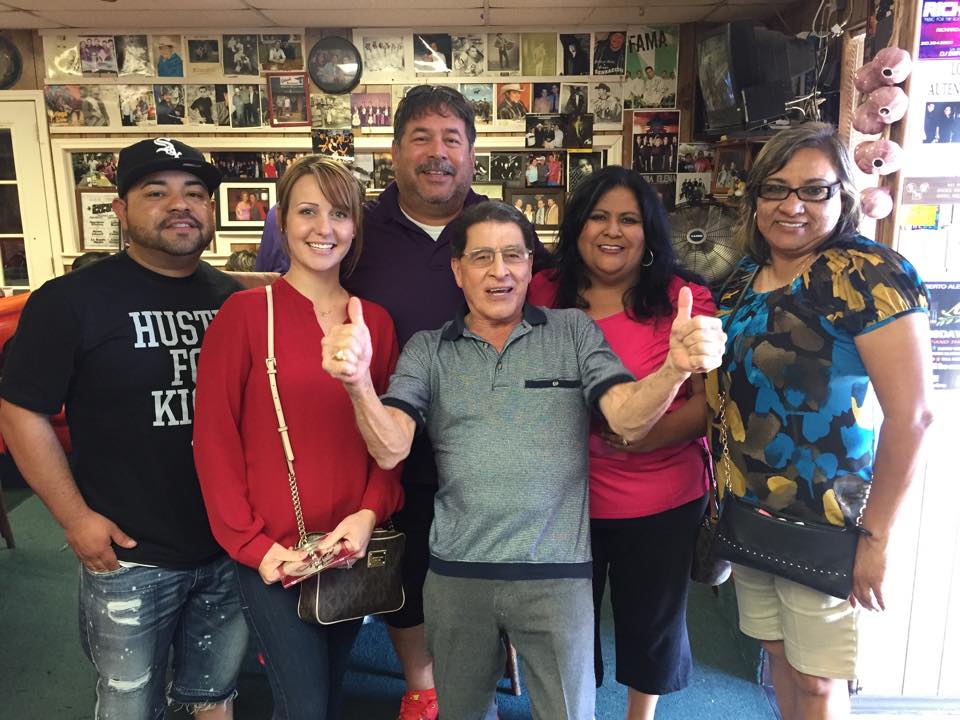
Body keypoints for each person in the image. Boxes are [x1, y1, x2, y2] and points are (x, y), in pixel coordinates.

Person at [320, 199, 726, 720]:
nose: (500, 271)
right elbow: (391, 446)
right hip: (457, 577)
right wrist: (358, 384)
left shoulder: (573, 332)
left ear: (532, 265)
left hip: (556, 579)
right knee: (463, 713)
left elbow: (626, 419)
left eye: (514, 255)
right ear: (458, 270)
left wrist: (674, 369)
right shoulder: (428, 349)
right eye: (482, 257)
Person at [0, 138, 247, 719]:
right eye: (156, 192)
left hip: (227, 547)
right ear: (120, 210)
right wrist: (74, 519)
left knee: (216, 694)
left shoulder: (232, 300)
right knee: (129, 703)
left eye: (194, 193)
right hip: (129, 556)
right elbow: (19, 410)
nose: (180, 205)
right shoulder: (71, 300)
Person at [707, 123, 932, 720]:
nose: (792, 205)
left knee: (817, 680)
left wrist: (875, 540)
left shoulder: (868, 273)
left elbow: (913, 416)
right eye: (775, 188)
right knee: (778, 657)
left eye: (813, 190)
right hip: (750, 509)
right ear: (755, 197)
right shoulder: (742, 279)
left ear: (843, 196)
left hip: (830, 518)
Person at [193, 156, 403, 720]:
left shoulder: (376, 323)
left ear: (355, 226)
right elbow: (213, 441)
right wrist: (252, 545)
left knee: (330, 691)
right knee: (304, 704)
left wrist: (370, 513)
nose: (323, 228)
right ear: (282, 221)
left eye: (339, 213)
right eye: (307, 211)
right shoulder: (243, 315)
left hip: (349, 547)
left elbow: (391, 438)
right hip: (276, 552)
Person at [528, 166, 715, 720]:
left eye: (629, 219)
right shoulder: (541, 291)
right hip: (561, 501)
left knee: (651, 624)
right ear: (577, 227)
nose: (613, 231)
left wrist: (645, 436)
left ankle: (641, 714)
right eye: (599, 217)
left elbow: (709, 405)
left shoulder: (685, 299)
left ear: (648, 231)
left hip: (661, 498)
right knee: (564, 627)